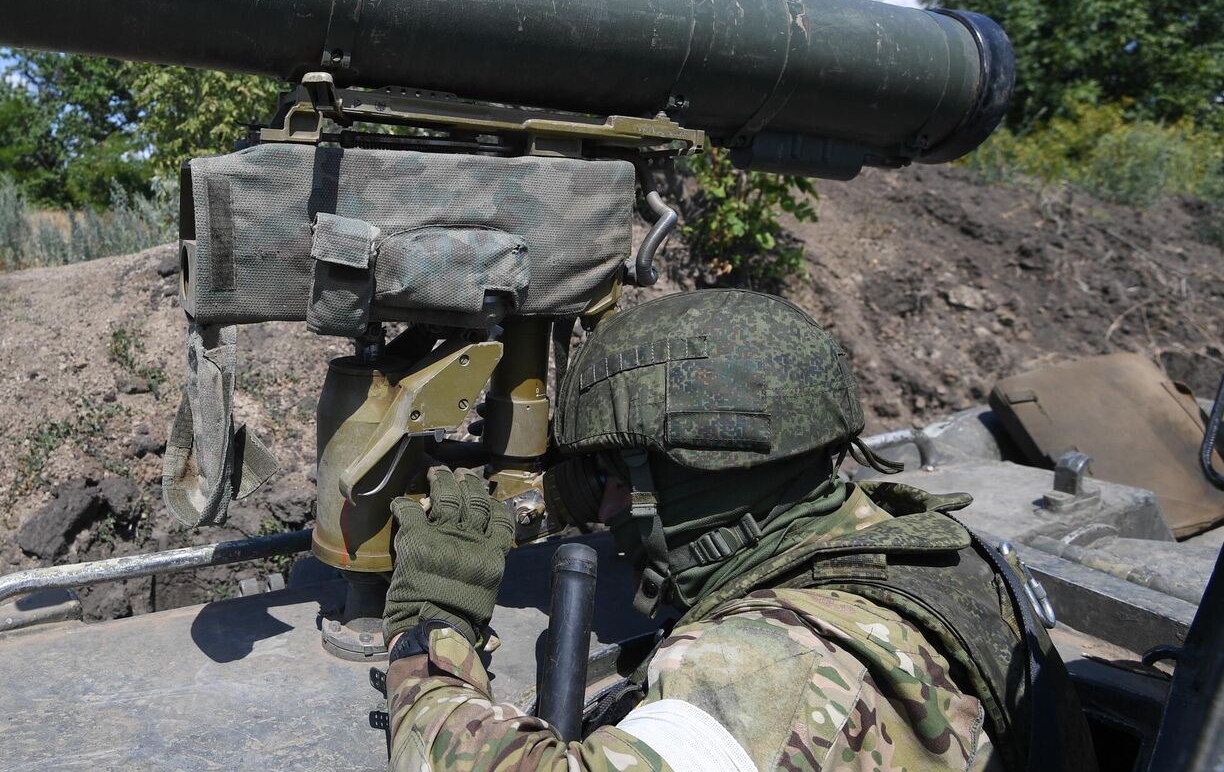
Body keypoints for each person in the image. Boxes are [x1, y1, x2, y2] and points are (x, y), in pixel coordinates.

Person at [381, 288, 1093, 771]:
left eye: (615, 477)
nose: (604, 513)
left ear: (703, 481)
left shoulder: (763, 667)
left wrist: (434, 628)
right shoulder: (928, 548)